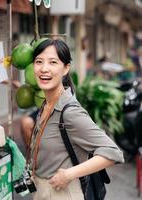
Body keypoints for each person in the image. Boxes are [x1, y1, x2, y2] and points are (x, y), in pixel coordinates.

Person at [28, 38, 124, 200]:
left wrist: (69, 174)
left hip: (62, 194)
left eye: (53, 62)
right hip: (42, 191)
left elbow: (113, 153)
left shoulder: (70, 113)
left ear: (66, 69)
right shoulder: (46, 105)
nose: (44, 69)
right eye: (39, 62)